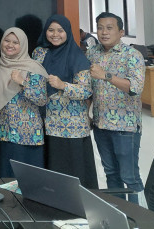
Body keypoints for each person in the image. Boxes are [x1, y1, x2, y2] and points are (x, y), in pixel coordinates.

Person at [32, 15, 97, 188]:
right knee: (51, 173)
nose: (55, 34)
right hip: (46, 123)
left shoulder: (77, 56)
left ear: (67, 32)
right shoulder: (39, 53)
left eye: (60, 30)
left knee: (71, 175)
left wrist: (63, 85)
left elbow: (86, 90)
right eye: (51, 30)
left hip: (71, 127)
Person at [88, 12, 146, 204]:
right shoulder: (92, 53)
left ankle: (139, 217)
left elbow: (135, 88)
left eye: (109, 28)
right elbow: (89, 87)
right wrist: (86, 112)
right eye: (100, 28)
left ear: (121, 32)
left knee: (130, 177)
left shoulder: (132, 55)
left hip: (125, 127)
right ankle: (119, 215)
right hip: (100, 125)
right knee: (111, 174)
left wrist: (106, 75)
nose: (104, 32)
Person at [0, 27, 48, 178]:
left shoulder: (33, 67)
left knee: (31, 180)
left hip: (30, 135)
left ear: (23, 45)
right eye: (7, 40)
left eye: (15, 42)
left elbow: (41, 99)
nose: (10, 45)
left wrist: (22, 82)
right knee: (6, 180)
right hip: (4, 133)